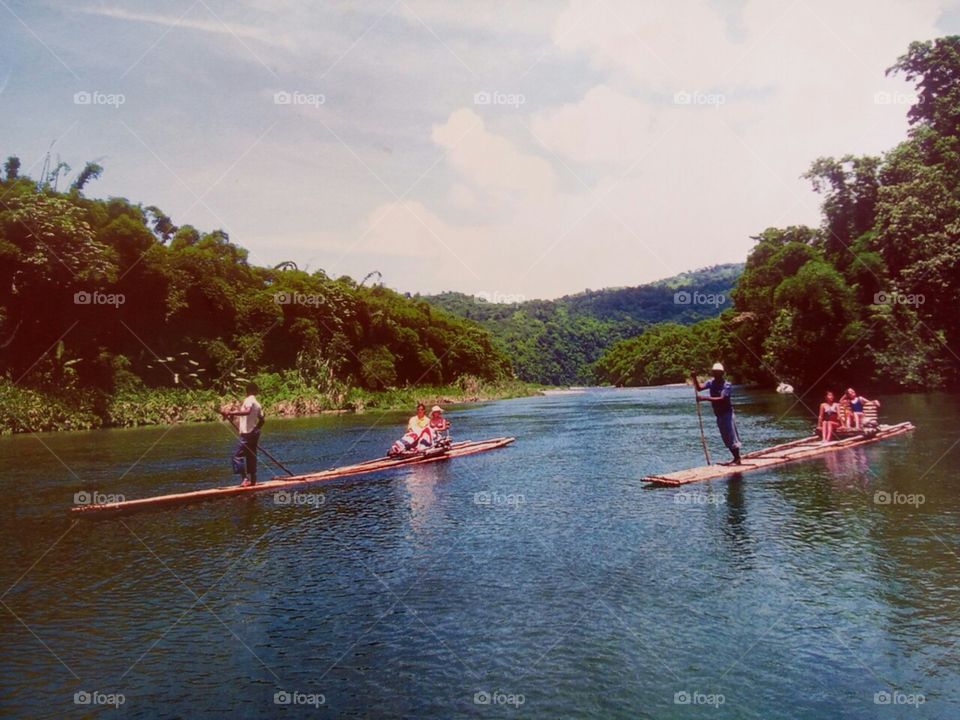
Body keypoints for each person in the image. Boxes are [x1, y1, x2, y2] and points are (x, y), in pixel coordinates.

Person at [692, 363, 742, 465]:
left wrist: (704, 398)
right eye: (715, 372)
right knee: (725, 437)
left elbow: (722, 398)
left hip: (727, 414)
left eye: (718, 373)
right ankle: (735, 458)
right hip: (719, 415)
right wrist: (694, 377)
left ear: (722, 373)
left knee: (731, 436)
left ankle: (737, 458)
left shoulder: (726, 385)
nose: (716, 374)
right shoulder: (711, 382)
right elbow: (699, 388)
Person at [221, 382, 264, 486]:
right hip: (254, 432)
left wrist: (230, 413)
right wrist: (256, 429)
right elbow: (262, 420)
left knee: (236, 456)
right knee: (251, 455)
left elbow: (247, 412)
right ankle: (253, 479)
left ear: (248, 391)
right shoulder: (258, 404)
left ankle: (245, 479)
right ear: (256, 391)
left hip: (247, 434)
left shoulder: (249, 400)